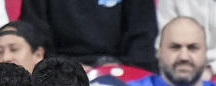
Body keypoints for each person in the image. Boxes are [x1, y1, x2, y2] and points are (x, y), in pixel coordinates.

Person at [20, 0, 158, 71]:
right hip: (58, 70)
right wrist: (66, 69)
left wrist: (119, 70)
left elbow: (142, 38)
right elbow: (34, 38)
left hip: (119, 67)